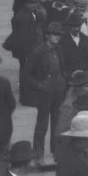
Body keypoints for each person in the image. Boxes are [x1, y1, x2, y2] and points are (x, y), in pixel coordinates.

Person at [25, 21, 65, 163]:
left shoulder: (58, 49)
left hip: (58, 90)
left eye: (58, 35)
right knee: (42, 123)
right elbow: (26, 74)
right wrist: (39, 85)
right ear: (47, 36)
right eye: (53, 35)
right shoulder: (38, 52)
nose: (56, 38)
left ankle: (56, 151)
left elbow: (62, 67)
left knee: (57, 122)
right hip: (45, 92)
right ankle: (38, 153)